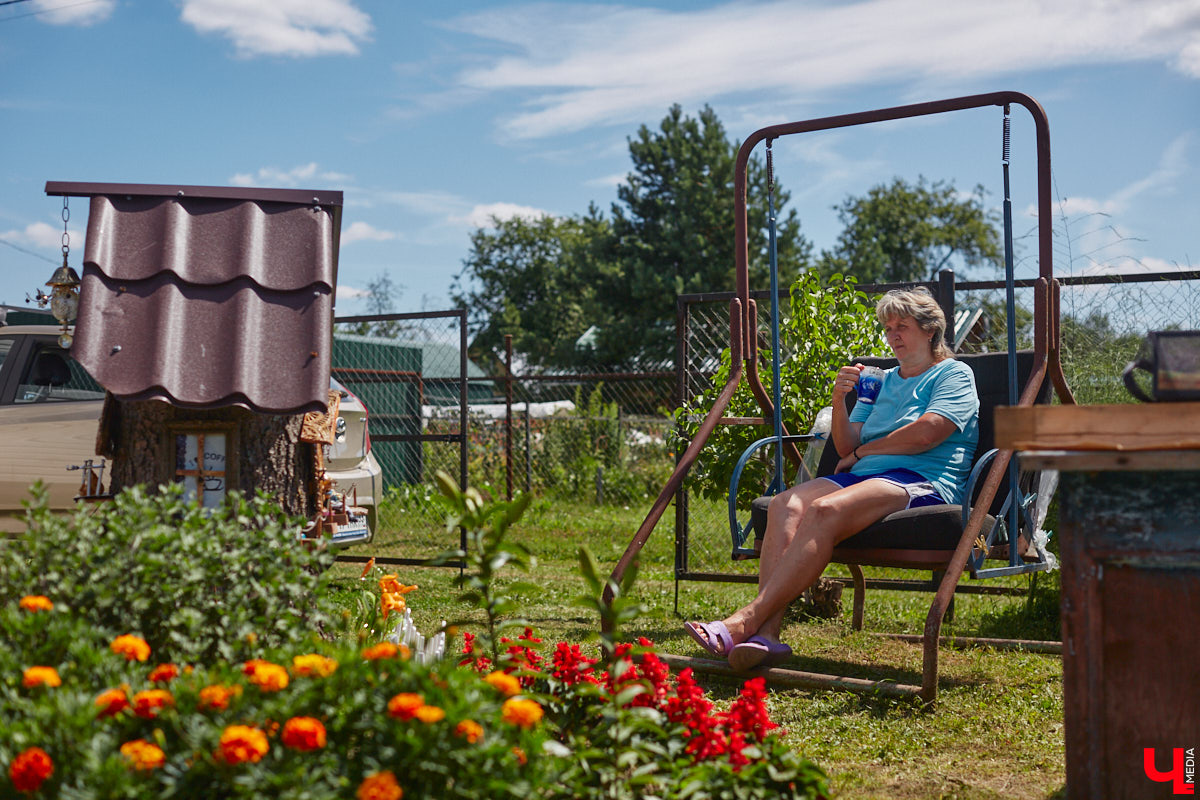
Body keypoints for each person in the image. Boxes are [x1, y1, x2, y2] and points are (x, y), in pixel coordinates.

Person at [685, 287, 979, 671]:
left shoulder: (953, 373)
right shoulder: (880, 380)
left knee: (824, 510)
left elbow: (927, 433)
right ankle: (767, 637)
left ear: (930, 330)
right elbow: (845, 446)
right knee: (784, 503)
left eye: (902, 326)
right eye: (888, 328)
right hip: (865, 475)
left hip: (920, 477)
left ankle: (742, 621)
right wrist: (840, 400)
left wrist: (862, 454)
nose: (893, 336)